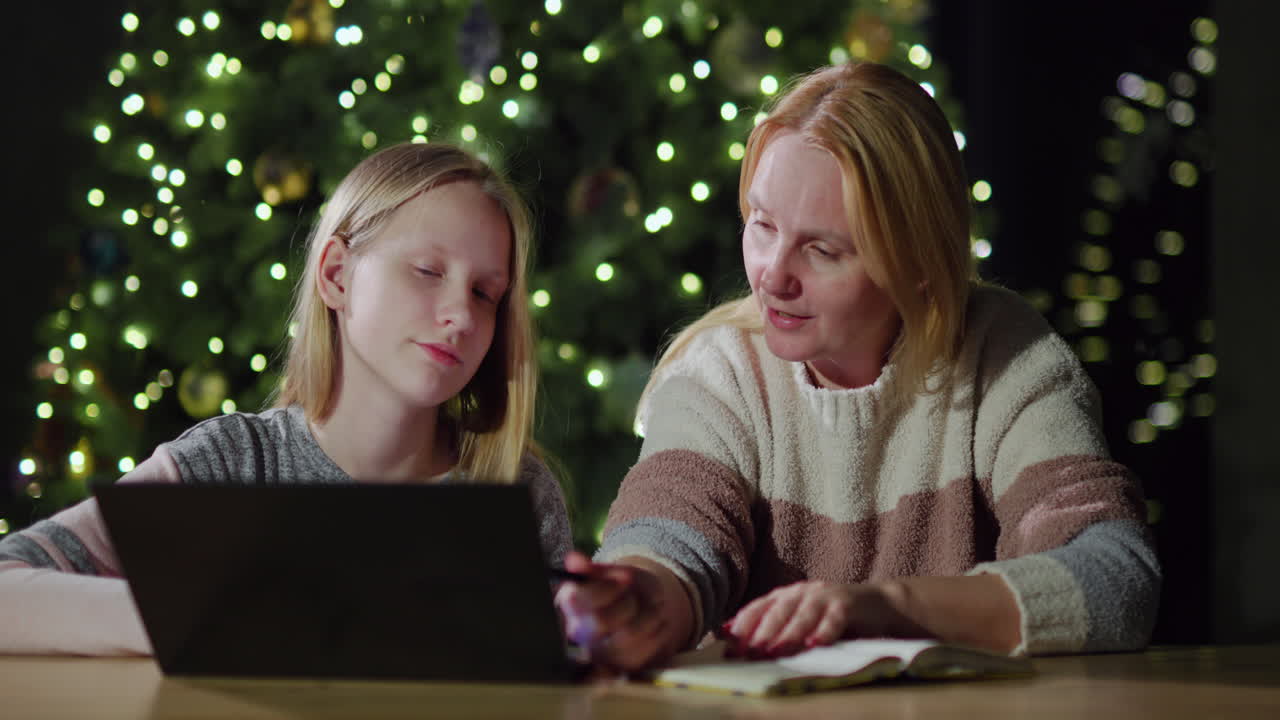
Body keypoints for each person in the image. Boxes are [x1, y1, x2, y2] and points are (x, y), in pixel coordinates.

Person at [555, 61, 1160, 671]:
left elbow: (1116, 578)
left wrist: (884, 608)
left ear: (917, 261)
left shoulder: (1003, 354)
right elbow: (668, 536)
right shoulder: (718, 372)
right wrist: (639, 599)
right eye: (762, 225)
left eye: (822, 249)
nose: (771, 276)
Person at [0, 142, 571, 655]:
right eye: (427, 270)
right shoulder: (229, 465)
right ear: (337, 275)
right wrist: (193, 611)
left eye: (485, 293)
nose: (462, 316)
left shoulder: (518, 492)